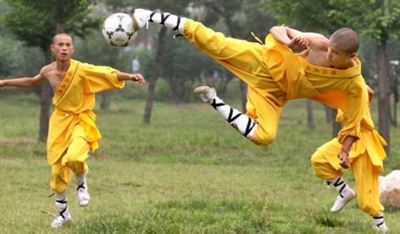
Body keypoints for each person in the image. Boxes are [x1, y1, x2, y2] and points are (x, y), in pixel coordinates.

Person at [131, 9, 388, 232]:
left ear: (351, 56)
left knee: (265, 137)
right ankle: (152, 16)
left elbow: (356, 120)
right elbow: (277, 29)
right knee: (214, 42)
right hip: (263, 61)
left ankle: (214, 101)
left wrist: (344, 151)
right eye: (329, 49)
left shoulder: (354, 84)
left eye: (335, 53)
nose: (329, 55)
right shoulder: (319, 43)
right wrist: (289, 42)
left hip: (273, 95)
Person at [0, 33, 145, 228]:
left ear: (72, 49)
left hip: (81, 120)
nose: (64, 48)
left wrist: (130, 76)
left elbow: (106, 74)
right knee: (58, 169)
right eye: (60, 44)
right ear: (53, 48)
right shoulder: (48, 71)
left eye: (68, 45)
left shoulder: (81, 69)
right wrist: (4, 82)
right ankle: (63, 215)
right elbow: (32, 82)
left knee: (75, 157)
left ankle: (82, 184)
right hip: (59, 122)